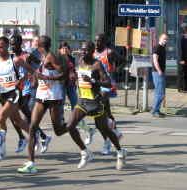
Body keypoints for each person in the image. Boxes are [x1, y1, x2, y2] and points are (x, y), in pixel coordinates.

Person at [17, 36, 93, 174]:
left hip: (54, 97)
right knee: (33, 127)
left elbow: (63, 74)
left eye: (36, 43)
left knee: (58, 130)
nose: (34, 45)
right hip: (42, 96)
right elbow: (41, 75)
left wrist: (47, 78)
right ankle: (31, 163)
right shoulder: (42, 56)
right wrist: (35, 78)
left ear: (40, 45)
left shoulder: (52, 57)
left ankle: (83, 147)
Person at [68, 41, 127, 170]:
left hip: (95, 102)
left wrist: (93, 81)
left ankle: (120, 151)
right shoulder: (81, 62)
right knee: (70, 126)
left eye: (86, 50)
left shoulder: (97, 65)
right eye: (82, 50)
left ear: (92, 52)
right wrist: (73, 78)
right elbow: (79, 78)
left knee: (105, 130)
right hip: (82, 101)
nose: (83, 52)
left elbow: (107, 83)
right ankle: (85, 152)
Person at [0, 36, 31, 161]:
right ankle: (36, 136)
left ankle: (0, 150)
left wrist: (21, 80)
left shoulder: (15, 59)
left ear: (7, 46)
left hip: (15, 93)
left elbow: (29, 71)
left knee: (1, 117)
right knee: (18, 121)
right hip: (3, 94)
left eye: (1, 47)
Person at [7, 34, 51, 154]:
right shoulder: (10, 57)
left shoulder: (27, 56)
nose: (11, 46)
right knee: (15, 116)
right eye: (10, 44)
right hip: (16, 90)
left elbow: (39, 66)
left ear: (20, 44)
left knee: (26, 117)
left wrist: (32, 77)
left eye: (14, 44)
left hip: (28, 89)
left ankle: (31, 138)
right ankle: (42, 137)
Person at [93, 33, 125, 155]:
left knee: (101, 112)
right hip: (97, 85)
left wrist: (116, 70)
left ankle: (108, 140)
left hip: (107, 86)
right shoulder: (93, 53)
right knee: (107, 112)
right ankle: (116, 133)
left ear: (104, 42)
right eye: (95, 41)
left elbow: (123, 61)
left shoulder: (109, 52)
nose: (96, 43)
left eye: (99, 41)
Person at [152, 33, 168, 118]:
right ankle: (154, 111)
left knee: (159, 92)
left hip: (161, 72)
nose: (165, 40)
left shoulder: (163, 48)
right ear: (160, 39)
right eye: (164, 39)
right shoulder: (157, 47)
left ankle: (157, 110)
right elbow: (155, 60)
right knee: (160, 93)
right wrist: (159, 71)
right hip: (157, 72)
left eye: (166, 39)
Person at [178, 26, 187, 92]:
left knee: (185, 73)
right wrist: (181, 60)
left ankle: (184, 87)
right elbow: (180, 50)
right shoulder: (182, 39)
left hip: (185, 59)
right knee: (183, 74)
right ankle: (182, 88)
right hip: (183, 59)